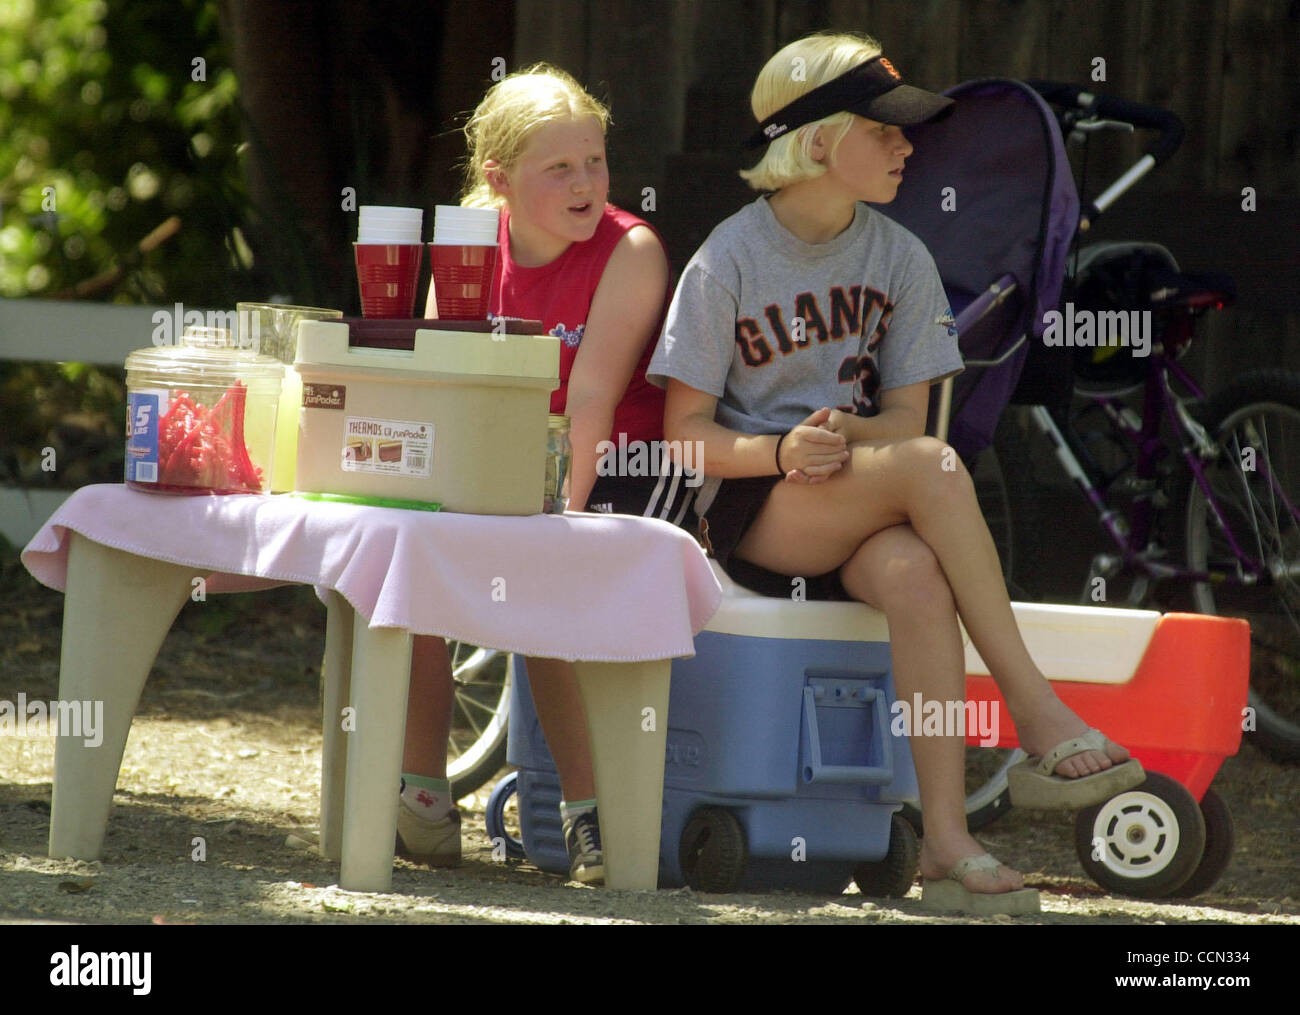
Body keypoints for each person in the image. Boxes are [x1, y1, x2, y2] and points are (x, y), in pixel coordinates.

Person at [647, 31, 1145, 913]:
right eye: (885, 130)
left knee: (917, 575)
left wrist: (847, 434)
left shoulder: (902, 258)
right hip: (752, 508)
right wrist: (779, 451)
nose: (907, 146)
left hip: (858, 496)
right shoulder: (726, 258)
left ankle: (947, 844)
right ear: (818, 139)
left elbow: (905, 424)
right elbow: (683, 434)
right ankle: (1033, 710)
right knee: (937, 467)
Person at [400, 64, 693, 884]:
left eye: (595, 162)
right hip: (500, 457)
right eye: (559, 169)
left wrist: (547, 522)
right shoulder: (469, 238)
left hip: (624, 465)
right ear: (498, 180)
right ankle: (422, 801)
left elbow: (594, 399)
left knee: (539, 597)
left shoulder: (631, 248)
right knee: (405, 564)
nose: (586, 184)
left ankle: (589, 818)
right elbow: (437, 372)